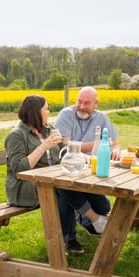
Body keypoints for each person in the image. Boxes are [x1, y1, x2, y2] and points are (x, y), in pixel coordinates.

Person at [4, 94, 108, 255]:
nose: (49, 112)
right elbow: (19, 168)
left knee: (99, 202)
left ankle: (89, 220)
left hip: (51, 181)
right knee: (62, 190)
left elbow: (64, 149)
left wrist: (83, 157)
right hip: (24, 187)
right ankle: (75, 234)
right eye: (46, 109)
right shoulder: (16, 135)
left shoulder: (48, 130)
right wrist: (43, 147)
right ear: (36, 112)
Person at [54, 86, 119, 239]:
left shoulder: (102, 118)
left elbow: (114, 142)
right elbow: (67, 145)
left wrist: (115, 149)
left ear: (96, 103)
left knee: (104, 206)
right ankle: (70, 238)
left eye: (87, 103)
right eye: (79, 102)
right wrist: (98, 143)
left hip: (92, 172)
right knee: (65, 192)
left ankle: (86, 219)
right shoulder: (66, 115)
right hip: (70, 169)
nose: (81, 106)